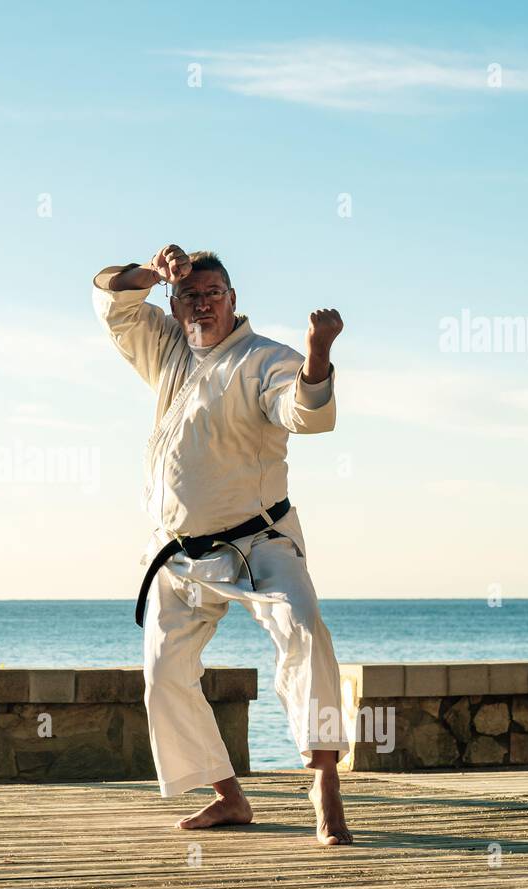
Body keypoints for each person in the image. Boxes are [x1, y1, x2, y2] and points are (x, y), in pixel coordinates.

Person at [92, 243, 353, 845]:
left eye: (213, 294)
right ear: (175, 301)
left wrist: (318, 356)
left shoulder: (266, 359)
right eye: (189, 294)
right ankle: (228, 796)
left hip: (259, 542)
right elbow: (110, 292)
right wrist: (150, 272)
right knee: (163, 674)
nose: (202, 304)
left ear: (234, 300)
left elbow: (302, 413)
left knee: (306, 631)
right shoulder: (167, 347)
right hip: (178, 552)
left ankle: (325, 781)